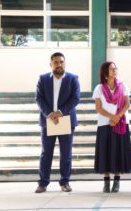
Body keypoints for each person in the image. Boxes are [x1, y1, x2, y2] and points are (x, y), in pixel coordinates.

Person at [35, 52, 80, 193]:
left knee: (66, 154)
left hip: (65, 119)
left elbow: (75, 98)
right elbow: (39, 98)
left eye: (61, 62)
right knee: (46, 153)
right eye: (55, 62)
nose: (58, 64)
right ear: (51, 64)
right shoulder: (42, 79)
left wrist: (59, 112)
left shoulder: (73, 78)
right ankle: (43, 183)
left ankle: (65, 182)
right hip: (48, 120)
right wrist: (50, 114)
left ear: (64, 63)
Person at [92, 62, 131, 193]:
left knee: (119, 151)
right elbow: (98, 107)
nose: (114, 71)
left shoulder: (123, 86)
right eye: (111, 69)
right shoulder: (99, 88)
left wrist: (117, 116)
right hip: (105, 123)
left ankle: (117, 181)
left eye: (115, 68)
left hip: (120, 123)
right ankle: (106, 182)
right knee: (106, 152)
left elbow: (127, 104)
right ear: (105, 72)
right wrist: (111, 116)